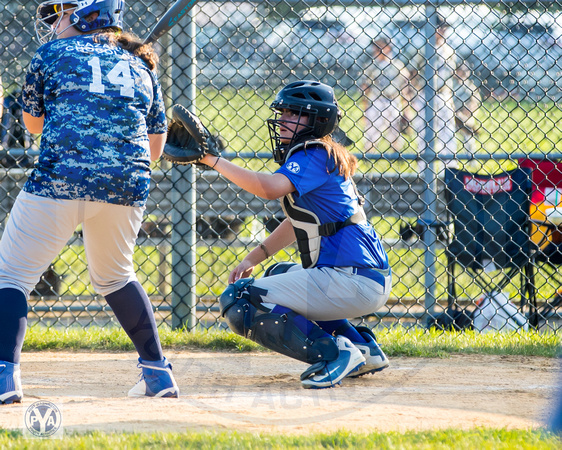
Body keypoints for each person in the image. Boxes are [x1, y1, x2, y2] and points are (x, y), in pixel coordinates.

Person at [0, 0, 178, 404]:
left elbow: (32, 125)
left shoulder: (51, 54)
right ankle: (158, 373)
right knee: (115, 276)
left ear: (84, 13)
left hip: (60, 181)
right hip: (126, 186)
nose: (54, 22)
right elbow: (155, 150)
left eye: (61, 13)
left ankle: (4, 378)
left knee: (11, 276)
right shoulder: (141, 64)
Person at [194, 80, 391, 389]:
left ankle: (333, 353)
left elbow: (268, 189)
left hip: (350, 280)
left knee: (241, 299)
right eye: (283, 112)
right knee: (279, 272)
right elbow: (299, 220)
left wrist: (212, 160)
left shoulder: (314, 154)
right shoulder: (320, 154)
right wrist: (255, 256)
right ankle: (362, 348)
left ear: (317, 121)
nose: (283, 119)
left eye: (294, 114)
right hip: (359, 278)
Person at [409, 19, 458, 170]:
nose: (442, 31)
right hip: (425, 94)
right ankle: (423, 169)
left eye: (444, 28)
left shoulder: (449, 51)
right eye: (439, 28)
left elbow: (452, 76)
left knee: (447, 133)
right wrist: (413, 94)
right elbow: (413, 73)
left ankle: (450, 169)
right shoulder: (423, 50)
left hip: (443, 94)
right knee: (423, 133)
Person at [361, 37, 408, 153]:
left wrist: (406, 109)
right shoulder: (371, 65)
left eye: (379, 47)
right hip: (377, 100)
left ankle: (396, 155)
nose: (376, 50)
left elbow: (404, 88)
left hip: (393, 100)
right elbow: (365, 88)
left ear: (388, 48)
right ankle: (369, 155)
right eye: (375, 47)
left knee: (394, 132)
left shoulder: (397, 65)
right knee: (372, 132)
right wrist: (365, 108)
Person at [452, 63, 481, 159]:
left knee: (468, 137)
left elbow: (475, 103)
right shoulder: (451, 84)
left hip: (466, 115)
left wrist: (467, 111)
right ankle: (452, 157)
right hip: (452, 114)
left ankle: (471, 158)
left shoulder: (470, 86)